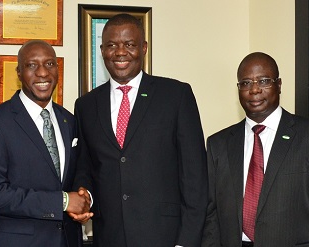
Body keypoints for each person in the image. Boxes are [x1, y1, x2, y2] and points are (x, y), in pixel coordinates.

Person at [72, 13, 208, 247]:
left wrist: (186, 242)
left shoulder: (176, 96)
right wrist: (85, 195)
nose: (120, 52)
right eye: (112, 45)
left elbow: (195, 178)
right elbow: (86, 166)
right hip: (109, 237)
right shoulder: (86, 105)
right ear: (102, 50)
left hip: (166, 237)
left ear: (144, 48)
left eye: (130, 44)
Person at [0, 40, 90, 247]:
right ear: (19, 72)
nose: (43, 73)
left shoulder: (69, 120)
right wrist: (62, 202)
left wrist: (84, 198)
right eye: (32, 65)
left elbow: (76, 174)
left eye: (49, 64)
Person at [202, 52, 309, 247]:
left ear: (279, 85)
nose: (254, 90)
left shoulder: (308, 135)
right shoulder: (217, 144)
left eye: (263, 81)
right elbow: (211, 215)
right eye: (245, 83)